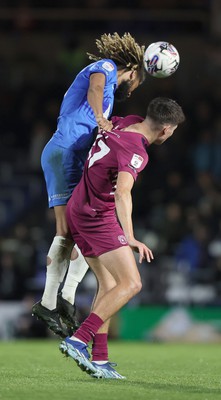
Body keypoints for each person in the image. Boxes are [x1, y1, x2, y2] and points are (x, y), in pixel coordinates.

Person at [59, 97, 185, 379]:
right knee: (131, 283)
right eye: (174, 129)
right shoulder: (137, 150)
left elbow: (106, 120)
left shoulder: (124, 122)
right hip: (96, 216)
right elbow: (122, 192)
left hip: (78, 207)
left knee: (109, 284)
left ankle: (100, 359)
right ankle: (78, 340)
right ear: (165, 129)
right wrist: (130, 236)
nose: (172, 134)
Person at [32, 32, 146, 338]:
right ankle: (51, 302)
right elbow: (94, 88)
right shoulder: (106, 68)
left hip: (73, 155)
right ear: (132, 70)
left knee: (79, 229)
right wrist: (99, 118)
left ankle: (63, 299)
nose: (134, 90)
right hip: (64, 152)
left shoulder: (109, 100)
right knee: (66, 230)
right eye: (137, 83)